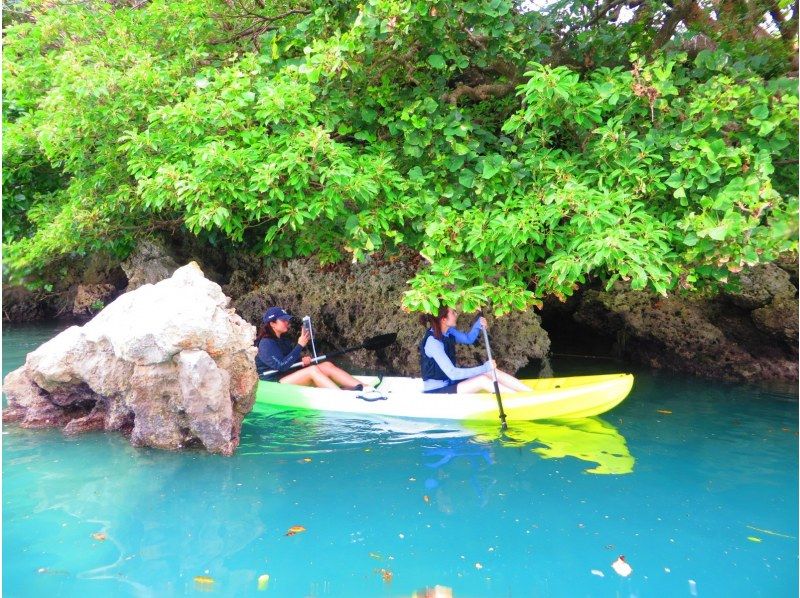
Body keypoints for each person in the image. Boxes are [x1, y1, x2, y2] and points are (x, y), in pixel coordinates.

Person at [419, 305, 530, 394]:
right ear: (443, 319)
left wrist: (477, 325)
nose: (456, 314)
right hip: (436, 392)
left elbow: (468, 339)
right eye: (453, 312)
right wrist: (484, 368)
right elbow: (453, 373)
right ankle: (518, 399)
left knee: (492, 372)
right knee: (482, 380)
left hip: (450, 383)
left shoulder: (448, 332)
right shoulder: (433, 342)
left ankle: (531, 393)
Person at [256, 307, 367, 390]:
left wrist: (301, 361)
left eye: (287, 320)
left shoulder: (284, 339)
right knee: (312, 370)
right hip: (272, 384)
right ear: (272, 324)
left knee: (327, 365)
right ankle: (341, 397)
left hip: (286, 376)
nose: (287, 322)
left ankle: (365, 388)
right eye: (283, 320)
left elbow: (289, 359)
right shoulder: (266, 343)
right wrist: (300, 345)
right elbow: (281, 366)